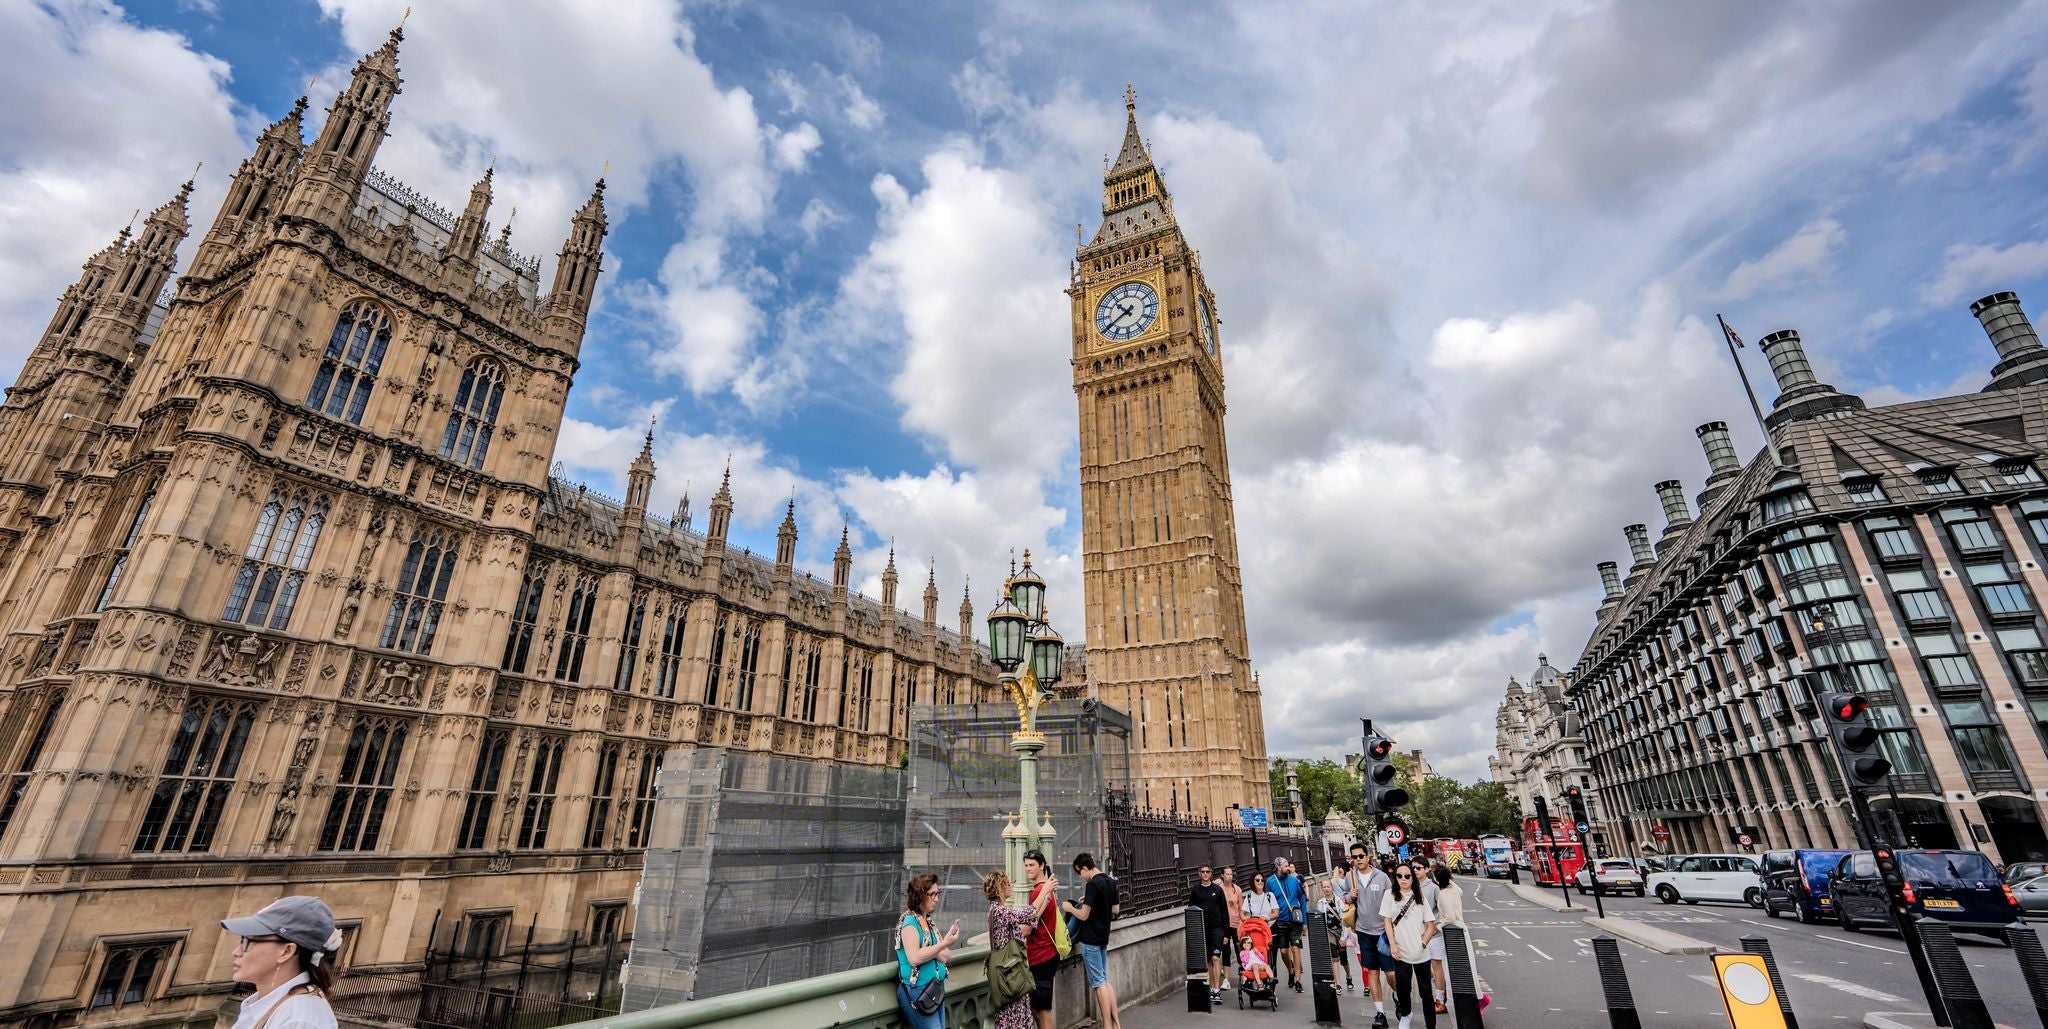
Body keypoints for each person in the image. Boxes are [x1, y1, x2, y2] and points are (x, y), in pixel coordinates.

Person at [221, 895, 345, 1029]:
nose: (236, 952)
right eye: (242, 940)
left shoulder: (297, 1021)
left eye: (248, 941)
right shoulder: (275, 1004)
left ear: (286, 952)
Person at [1061, 853, 1121, 1029]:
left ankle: (1107, 1026)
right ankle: (1116, 1024)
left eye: (1080, 873)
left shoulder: (1093, 884)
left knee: (1098, 983)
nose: (1081, 877)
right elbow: (1116, 909)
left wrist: (1070, 908)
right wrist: (1091, 901)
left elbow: (1084, 915)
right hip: (1104, 937)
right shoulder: (1110, 881)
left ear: (1085, 868)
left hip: (1090, 939)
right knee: (1105, 981)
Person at [1339, 844, 1394, 1029]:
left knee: (1391, 973)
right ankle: (1380, 1013)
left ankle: (1397, 996)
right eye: (1354, 857)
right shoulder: (1350, 876)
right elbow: (1344, 898)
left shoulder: (1382, 877)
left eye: (1361, 855)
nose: (1358, 859)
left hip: (1383, 932)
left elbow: (1393, 901)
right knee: (1372, 972)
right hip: (1363, 931)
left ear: (1369, 856)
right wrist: (1349, 896)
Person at [897, 873, 961, 1029]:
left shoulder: (928, 922)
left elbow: (946, 957)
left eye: (937, 893)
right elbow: (914, 958)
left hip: (935, 988)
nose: (936, 899)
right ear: (919, 895)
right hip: (917, 991)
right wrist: (941, 944)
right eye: (932, 894)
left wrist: (939, 945)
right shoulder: (909, 922)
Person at [985, 871, 1048, 1029]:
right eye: (1007, 883)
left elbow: (1028, 921)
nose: (1011, 886)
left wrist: (1044, 902)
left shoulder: (1001, 910)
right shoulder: (999, 911)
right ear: (1000, 888)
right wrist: (1045, 889)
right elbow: (1028, 912)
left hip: (1013, 975)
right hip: (1009, 976)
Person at [1380, 863, 1438, 1029]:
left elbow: (1431, 924)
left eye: (1407, 876)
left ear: (1413, 877)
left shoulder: (1419, 897)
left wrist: (1423, 942)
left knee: (1426, 991)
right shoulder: (1389, 895)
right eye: (1399, 876)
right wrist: (1393, 946)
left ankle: (1431, 1024)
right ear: (1395, 878)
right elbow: (1387, 922)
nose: (1403, 879)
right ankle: (1406, 1014)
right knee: (1403, 988)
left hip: (1421, 953)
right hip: (1401, 952)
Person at [1022, 851, 1062, 1029]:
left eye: (1032, 865)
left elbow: (1028, 928)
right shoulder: (1048, 889)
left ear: (1042, 866)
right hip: (1047, 954)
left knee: (1042, 1012)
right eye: (1026, 865)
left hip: (1041, 956)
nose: (1027, 868)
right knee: (1039, 1010)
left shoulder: (1038, 891)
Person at [1188, 863, 1230, 1005]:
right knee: (1208, 961)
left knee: (1215, 957)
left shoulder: (1217, 890)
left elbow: (1225, 911)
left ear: (1211, 873)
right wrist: (1193, 932)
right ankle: (1212, 988)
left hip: (1217, 928)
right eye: (1203, 871)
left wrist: (1226, 934)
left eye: (1207, 871)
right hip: (1202, 929)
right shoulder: (1195, 890)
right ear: (1199, 873)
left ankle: (1217, 990)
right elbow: (1191, 911)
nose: (1205, 874)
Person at [1265, 857, 1309, 992]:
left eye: (1288, 865)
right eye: (1285, 866)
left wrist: (1305, 921)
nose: (1288, 868)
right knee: (1284, 951)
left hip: (1295, 920)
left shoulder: (1294, 880)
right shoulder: (1270, 882)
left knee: (1296, 949)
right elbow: (1268, 901)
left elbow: (1302, 898)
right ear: (1278, 867)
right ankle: (1290, 970)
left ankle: (1297, 981)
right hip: (1280, 921)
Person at [1314, 879, 1355, 991]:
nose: (1326, 889)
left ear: (1332, 888)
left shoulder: (1339, 901)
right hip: (1329, 932)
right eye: (1324, 887)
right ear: (1322, 888)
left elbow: (1345, 921)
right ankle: (1338, 984)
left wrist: (1343, 937)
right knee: (1334, 958)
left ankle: (1348, 976)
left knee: (1343, 959)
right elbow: (1320, 920)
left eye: (1328, 887)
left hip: (1340, 931)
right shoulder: (1320, 903)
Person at [1218, 865, 1245, 987]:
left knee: (1240, 949)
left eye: (1231, 874)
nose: (1229, 876)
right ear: (1222, 875)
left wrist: (1242, 922)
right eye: (1227, 874)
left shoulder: (1237, 889)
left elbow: (1241, 908)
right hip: (1224, 924)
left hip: (1236, 923)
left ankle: (1244, 974)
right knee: (1226, 950)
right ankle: (1226, 979)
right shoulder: (1219, 889)